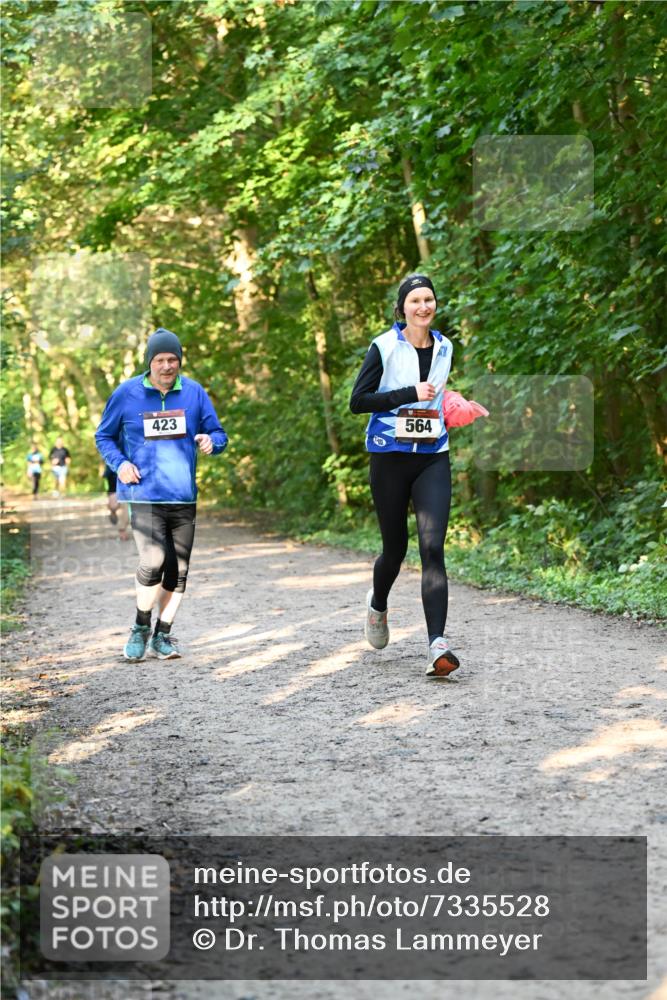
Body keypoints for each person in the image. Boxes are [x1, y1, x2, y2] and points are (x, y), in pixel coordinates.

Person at [350, 274, 460, 678]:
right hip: (389, 456)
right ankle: (378, 603)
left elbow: (437, 396)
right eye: (415, 300)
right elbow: (358, 401)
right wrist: (408, 394)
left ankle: (437, 645)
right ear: (403, 307)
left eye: (429, 299)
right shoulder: (383, 346)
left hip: (432, 456)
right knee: (394, 550)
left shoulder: (446, 346)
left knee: (433, 548)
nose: (423, 306)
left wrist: (454, 404)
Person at [95, 328, 228, 661]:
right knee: (153, 560)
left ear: (179, 361)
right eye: (160, 360)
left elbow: (218, 433)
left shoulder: (194, 392)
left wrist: (212, 442)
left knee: (178, 570)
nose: (167, 366)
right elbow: (104, 436)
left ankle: (162, 634)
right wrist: (120, 464)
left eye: (172, 359)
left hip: (182, 495)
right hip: (143, 493)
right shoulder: (127, 393)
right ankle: (140, 627)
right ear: (149, 362)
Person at [101, 463, 129, 540]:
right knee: (114, 507)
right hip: (113, 490)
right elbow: (105, 476)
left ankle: (122, 531)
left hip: (123, 491)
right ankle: (112, 511)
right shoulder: (110, 463)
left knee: (124, 512)